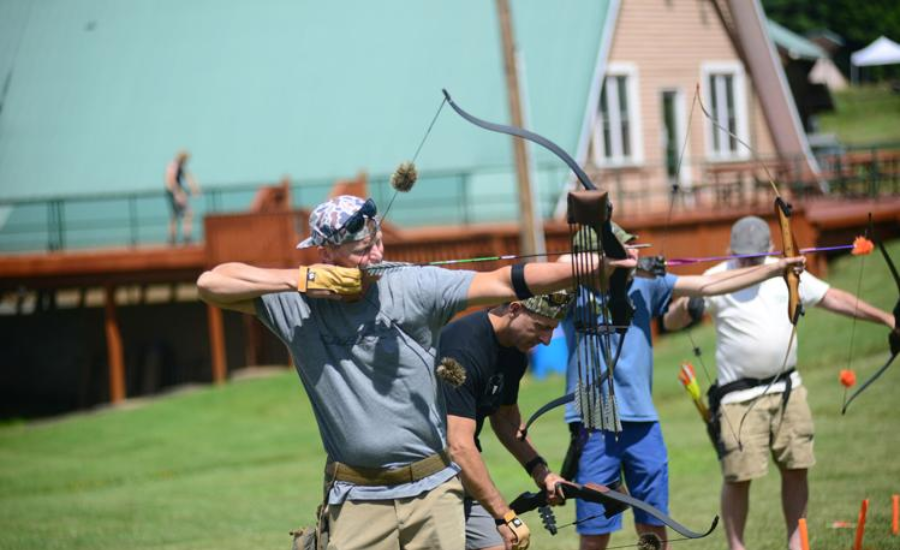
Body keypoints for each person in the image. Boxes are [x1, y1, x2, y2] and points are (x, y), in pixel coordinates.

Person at [196, 195, 635, 550]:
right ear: (326, 253)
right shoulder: (297, 305)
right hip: (356, 497)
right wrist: (299, 281)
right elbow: (211, 283)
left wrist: (582, 269)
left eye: (378, 244)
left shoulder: (412, 286)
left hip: (433, 492)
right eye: (360, 251)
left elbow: (504, 281)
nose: (376, 256)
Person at [559, 223, 807, 550]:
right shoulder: (571, 292)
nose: (635, 253)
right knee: (594, 535)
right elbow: (560, 264)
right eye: (624, 248)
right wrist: (609, 264)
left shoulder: (643, 285)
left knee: (654, 525)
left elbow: (707, 285)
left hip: (642, 422)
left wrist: (775, 269)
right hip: (594, 424)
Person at [665, 216, 897, 550]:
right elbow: (671, 321)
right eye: (742, 255)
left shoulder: (787, 272)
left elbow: (834, 298)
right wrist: (687, 307)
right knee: (737, 476)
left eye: (755, 256)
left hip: (789, 391)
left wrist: (887, 318)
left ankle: (796, 543)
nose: (749, 262)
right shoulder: (715, 279)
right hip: (738, 398)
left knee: (797, 467)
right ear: (730, 250)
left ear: (771, 249)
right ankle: (737, 546)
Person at [440, 292, 572, 550]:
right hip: (419, 477)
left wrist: (541, 472)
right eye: (541, 327)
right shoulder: (462, 349)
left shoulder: (514, 353)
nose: (546, 340)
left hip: (460, 471)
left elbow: (505, 415)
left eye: (552, 330)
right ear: (514, 309)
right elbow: (457, 445)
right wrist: (504, 514)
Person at [165, 149, 200, 245]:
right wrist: (179, 193)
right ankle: (181, 238)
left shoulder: (179, 166)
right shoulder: (174, 165)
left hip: (175, 193)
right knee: (184, 214)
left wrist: (194, 188)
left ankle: (176, 238)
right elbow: (170, 180)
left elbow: (188, 177)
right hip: (174, 193)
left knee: (177, 215)